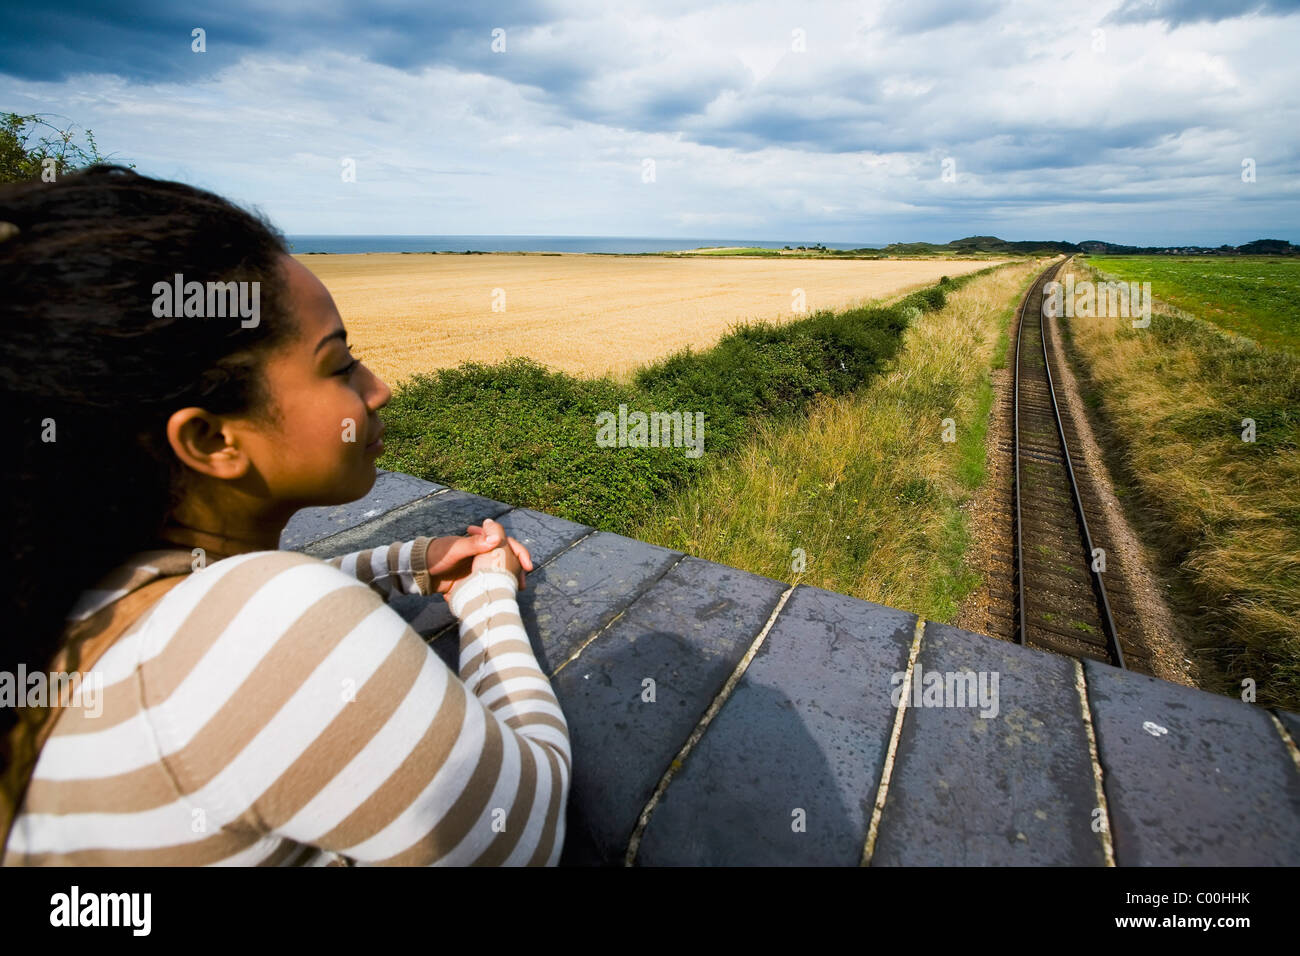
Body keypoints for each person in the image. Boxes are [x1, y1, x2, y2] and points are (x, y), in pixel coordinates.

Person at [0, 166, 570, 865]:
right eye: (339, 367)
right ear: (212, 440)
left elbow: (224, 621)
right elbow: (528, 823)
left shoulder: (73, 585)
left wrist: (406, 563)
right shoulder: (270, 621)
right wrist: (488, 592)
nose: (379, 388)